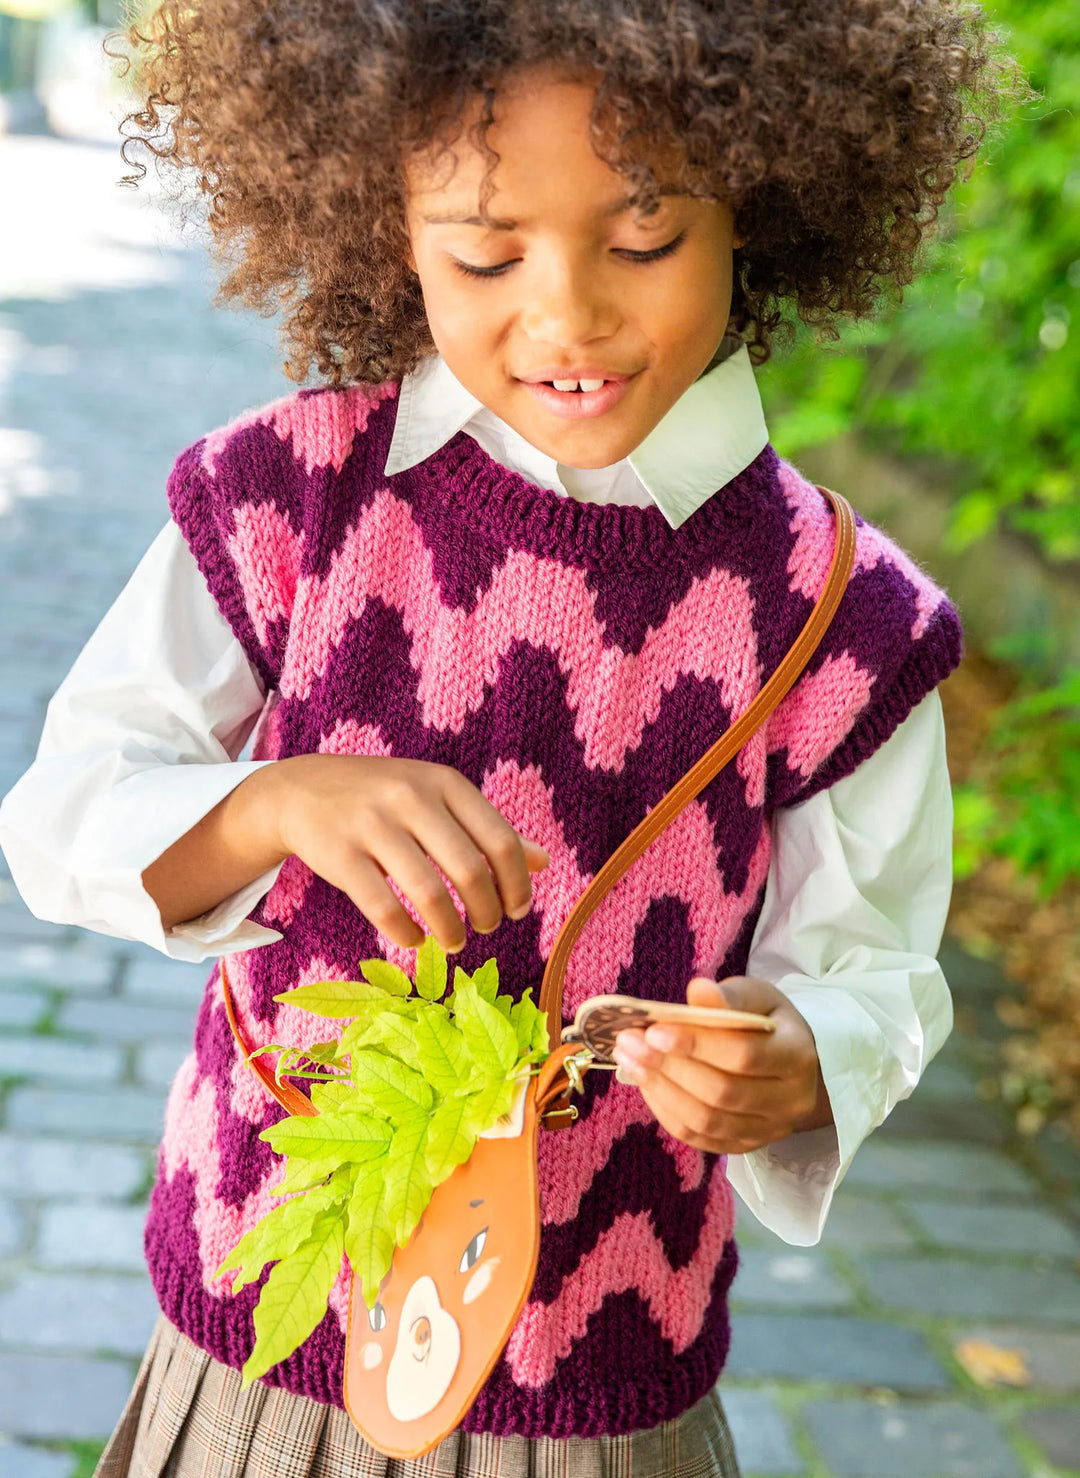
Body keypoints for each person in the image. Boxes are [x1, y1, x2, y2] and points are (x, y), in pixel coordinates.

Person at [0, 1, 1008, 1473]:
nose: (568, 313)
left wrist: (805, 1056)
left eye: (647, 241)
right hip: (267, 1354)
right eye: (486, 252)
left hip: (598, 1389)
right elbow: (64, 819)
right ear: (379, 217)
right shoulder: (294, 499)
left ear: (766, 197)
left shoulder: (836, 618)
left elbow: (877, 973)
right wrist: (271, 804)